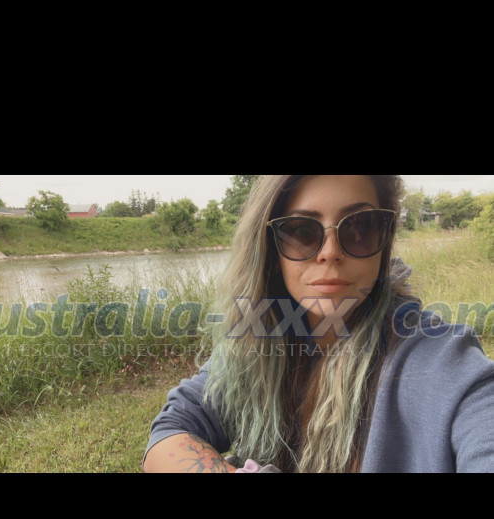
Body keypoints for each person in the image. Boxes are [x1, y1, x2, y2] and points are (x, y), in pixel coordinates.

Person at [143, 175, 494, 473]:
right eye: (301, 230)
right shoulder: (255, 343)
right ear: (271, 249)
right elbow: (172, 428)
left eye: (359, 226)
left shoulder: (444, 363)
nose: (330, 252)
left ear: (384, 238)